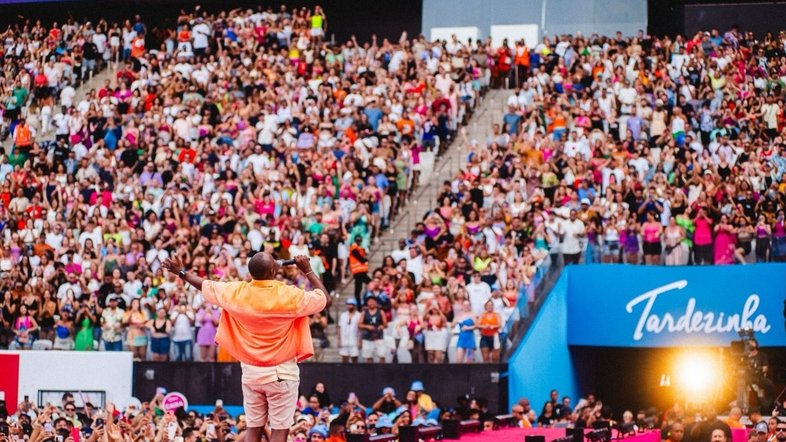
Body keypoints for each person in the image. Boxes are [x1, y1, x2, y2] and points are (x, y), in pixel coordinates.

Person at [161, 252, 330, 442]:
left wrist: (181, 272)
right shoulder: (289, 294)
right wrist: (307, 270)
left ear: (251, 273)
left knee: (253, 428)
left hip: (252, 371)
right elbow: (325, 299)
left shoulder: (236, 292)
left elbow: (204, 284)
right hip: (282, 372)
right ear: (273, 271)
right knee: (280, 430)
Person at [338, 299, 361, 363]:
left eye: (350, 304)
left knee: (354, 359)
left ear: (354, 305)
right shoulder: (343, 315)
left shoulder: (359, 315)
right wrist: (339, 340)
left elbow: (360, 329)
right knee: (344, 359)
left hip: (354, 341)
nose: (349, 306)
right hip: (344, 341)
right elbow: (339, 328)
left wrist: (359, 341)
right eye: (348, 304)